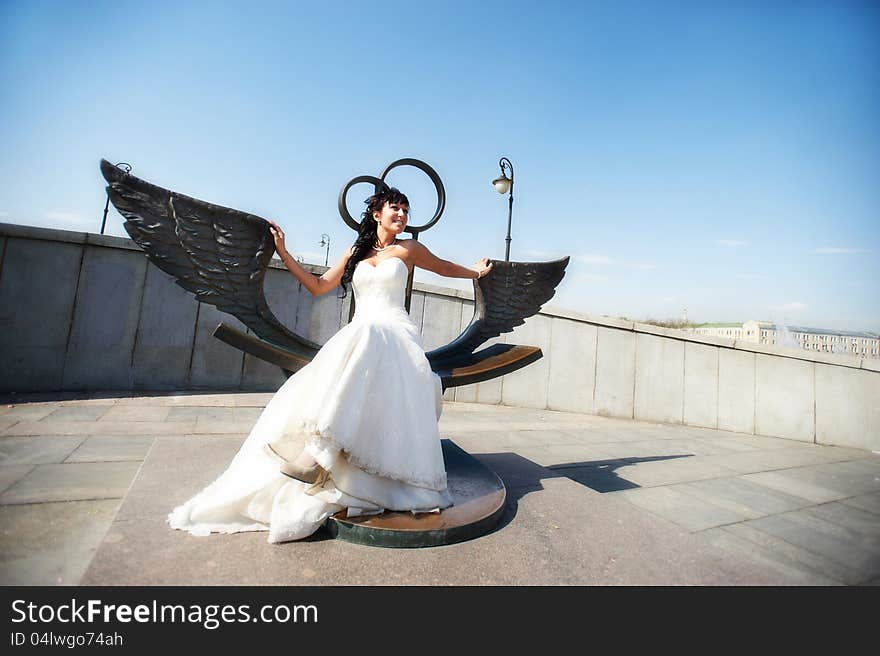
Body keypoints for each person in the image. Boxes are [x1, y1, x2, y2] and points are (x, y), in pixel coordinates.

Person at [168, 187, 493, 543]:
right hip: (362, 332)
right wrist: (285, 253)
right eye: (394, 208)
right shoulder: (356, 252)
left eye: (404, 209)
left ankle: (317, 456)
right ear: (377, 215)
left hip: (395, 330)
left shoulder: (409, 249)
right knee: (358, 342)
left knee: (369, 336)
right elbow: (319, 286)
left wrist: (474, 273)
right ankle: (320, 452)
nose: (401, 214)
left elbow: (443, 268)